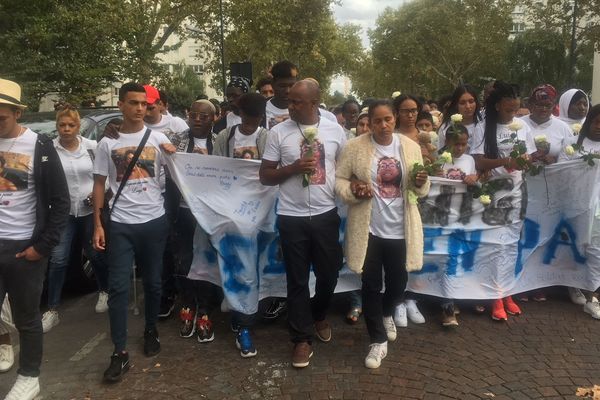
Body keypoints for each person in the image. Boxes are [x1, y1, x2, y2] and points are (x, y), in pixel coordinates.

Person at [336, 99, 430, 368]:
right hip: (369, 230)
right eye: (377, 120)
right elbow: (340, 180)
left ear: (395, 118)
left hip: (401, 228)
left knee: (399, 282)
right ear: (370, 122)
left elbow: (421, 184)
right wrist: (353, 189)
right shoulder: (355, 147)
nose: (383, 125)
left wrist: (422, 182)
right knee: (371, 285)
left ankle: (389, 312)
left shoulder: (410, 147)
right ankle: (377, 341)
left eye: (387, 119)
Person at [92, 82, 176, 383]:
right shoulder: (107, 143)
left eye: (144, 104)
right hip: (122, 224)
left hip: (154, 222)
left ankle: (151, 329)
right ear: (121, 105)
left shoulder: (159, 137)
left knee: (153, 284)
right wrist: (98, 224)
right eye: (133, 103)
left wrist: (174, 152)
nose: (140, 108)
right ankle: (119, 351)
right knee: (118, 288)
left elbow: (184, 169)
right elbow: (100, 183)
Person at [259, 80, 346, 368]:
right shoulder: (278, 132)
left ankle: (318, 314)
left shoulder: (334, 130)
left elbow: (345, 169)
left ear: (315, 102)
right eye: (289, 100)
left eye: (297, 101)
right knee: (297, 280)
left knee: (329, 273)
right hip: (291, 217)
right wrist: (294, 168)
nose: (290, 106)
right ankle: (301, 339)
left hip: (326, 215)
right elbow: (265, 175)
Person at [0, 78, 70, 400]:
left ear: (17, 114)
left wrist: (41, 248)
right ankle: (4, 348)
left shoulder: (39, 145)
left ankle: (29, 377)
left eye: (1, 117)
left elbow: (60, 201)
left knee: (28, 318)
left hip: (23, 248)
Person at [470, 81, 536, 321]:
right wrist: (504, 162)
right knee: (494, 245)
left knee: (511, 244)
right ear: (497, 106)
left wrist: (525, 160)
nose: (513, 114)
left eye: (516, 109)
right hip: (492, 194)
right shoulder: (483, 128)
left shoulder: (522, 127)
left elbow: (528, 156)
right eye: (509, 110)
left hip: (516, 192)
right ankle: (494, 295)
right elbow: (478, 161)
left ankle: (507, 291)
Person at [42, 106, 110, 334]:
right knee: (58, 259)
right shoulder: (50, 150)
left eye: (71, 125)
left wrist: (97, 194)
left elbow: (106, 176)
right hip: (63, 213)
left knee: (95, 253)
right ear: (57, 126)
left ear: (78, 127)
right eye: (62, 125)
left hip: (90, 210)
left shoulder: (91, 148)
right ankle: (52, 309)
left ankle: (104, 291)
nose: (66, 129)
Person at [163, 100, 224, 345]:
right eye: (194, 115)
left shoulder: (220, 141)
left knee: (207, 260)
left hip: (209, 213)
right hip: (182, 211)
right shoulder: (173, 139)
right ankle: (187, 303)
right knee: (184, 259)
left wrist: (209, 161)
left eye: (204, 116)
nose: (198, 119)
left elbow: (227, 175)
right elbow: (144, 139)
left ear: (214, 118)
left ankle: (206, 308)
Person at [559, 105, 600, 319]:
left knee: (595, 251)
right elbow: (561, 172)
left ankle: (592, 295)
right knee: (575, 247)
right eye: (597, 122)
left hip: (598, 208)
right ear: (589, 122)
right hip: (576, 204)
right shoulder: (573, 144)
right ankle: (572, 284)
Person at [438, 124, 480, 326]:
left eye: (464, 144)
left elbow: (475, 184)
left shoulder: (470, 160)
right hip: (439, 218)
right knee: (443, 259)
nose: (460, 148)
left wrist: (474, 180)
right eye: (456, 144)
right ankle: (443, 303)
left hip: (460, 219)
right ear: (447, 142)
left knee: (454, 259)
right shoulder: (439, 159)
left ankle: (452, 300)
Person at [391, 94, 427, 325]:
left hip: (423, 200)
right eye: (406, 111)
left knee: (418, 250)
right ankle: (396, 299)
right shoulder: (390, 138)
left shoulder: (425, 136)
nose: (411, 115)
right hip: (396, 204)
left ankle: (412, 296)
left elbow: (436, 166)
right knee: (397, 252)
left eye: (414, 110)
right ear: (397, 113)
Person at [214, 93, 269, 160]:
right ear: (240, 113)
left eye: (254, 123)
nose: (249, 128)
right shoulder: (224, 137)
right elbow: (217, 164)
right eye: (247, 122)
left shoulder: (268, 138)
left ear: (262, 118)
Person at [436, 85, 484, 150]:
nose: (468, 106)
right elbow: (440, 153)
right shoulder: (446, 128)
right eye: (462, 103)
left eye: (471, 101)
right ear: (456, 105)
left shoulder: (484, 124)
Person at [265, 60, 298, 130]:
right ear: (273, 84)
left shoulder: (304, 110)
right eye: (282, 86)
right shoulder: (261, 110)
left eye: (291, 85)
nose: (287, 91)